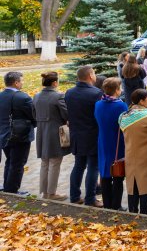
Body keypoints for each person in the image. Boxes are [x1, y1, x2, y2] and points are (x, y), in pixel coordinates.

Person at [119, 89, 147, 214]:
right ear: (141, 101)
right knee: (145, 185)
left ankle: (133, 210)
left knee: (132, 185)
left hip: (130, 154)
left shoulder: (123, 116)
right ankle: (145, 214)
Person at [65, 66, 103, 207]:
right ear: (90, 76)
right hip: (92, 135)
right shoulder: (96, 93)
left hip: (76, 135)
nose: (95, 75)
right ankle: (90, 198)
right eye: (94, 73)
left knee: (79, 166)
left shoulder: (69, 93)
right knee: (93, 168)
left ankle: (74, 196)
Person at [32, 71, 70, 200]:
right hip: (54, 132)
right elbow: (66, 114)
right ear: (54, 83)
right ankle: (52, 193)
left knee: (45, 162)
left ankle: (45, 192)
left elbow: (34, 114)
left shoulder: (36, 96)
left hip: (41, 131)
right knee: (55, 162)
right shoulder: (58, 96)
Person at [0, 71, 36, 195]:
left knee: (9, 161)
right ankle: (12, 190)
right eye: (21, 81)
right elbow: (33, 115)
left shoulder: (1, 95)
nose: (22, 83)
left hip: (4, 134)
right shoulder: (23, 97)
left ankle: (7, 187)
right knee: (18, 163)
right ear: (16, 83)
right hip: (20, 136)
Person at [95, 77, 128, 210]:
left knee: (105, 174)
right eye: (120, 88)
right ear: (116, 90)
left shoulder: (99, 104)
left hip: (103, 141)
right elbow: (125, 124)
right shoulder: (120, 105)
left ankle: (107, 203)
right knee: (118, 174)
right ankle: (116, 205)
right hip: (117, 142)